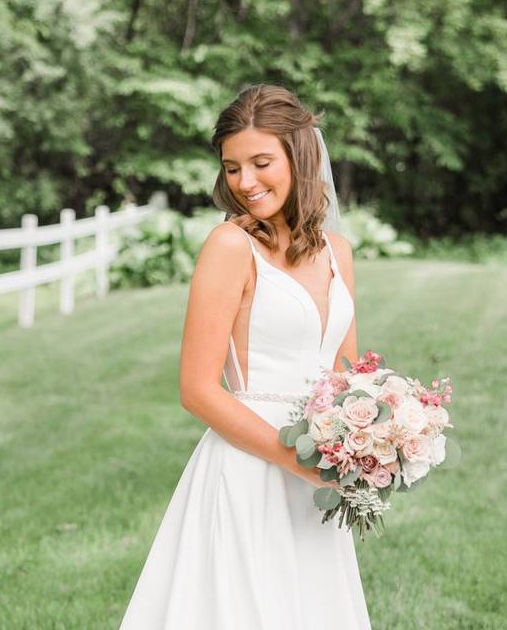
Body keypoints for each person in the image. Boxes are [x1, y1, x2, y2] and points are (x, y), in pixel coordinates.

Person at [118, 84, 372, 629]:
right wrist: (296, 460)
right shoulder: (230, 247)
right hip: (250, 467)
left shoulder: (339, 253)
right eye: (232, 168)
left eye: (261, 163)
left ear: (299, 156)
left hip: (320, 473)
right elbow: (198, 389)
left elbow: (347, 375)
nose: (245, 183)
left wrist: (381, 432)